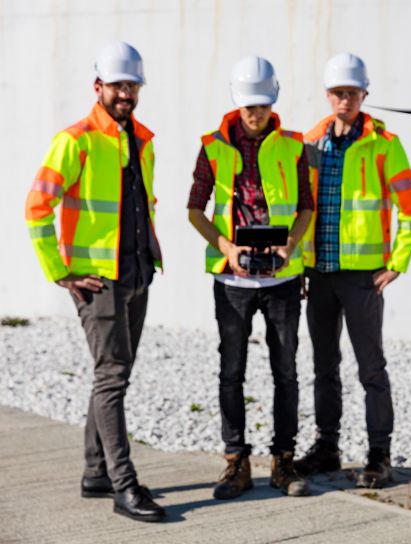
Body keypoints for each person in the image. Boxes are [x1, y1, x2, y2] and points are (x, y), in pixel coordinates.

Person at [24, 41, 165, 522]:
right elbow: (36, 207)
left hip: (137, 273)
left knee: (112, 375)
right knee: (113, 376)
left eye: (133, 85)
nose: (126, 93)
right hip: (98, 280)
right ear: (98, 87)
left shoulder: (141, 138)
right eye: (118, 85)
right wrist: (60, 271)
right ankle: (124, 486)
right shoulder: (77, 138)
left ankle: (95, 473)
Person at [187, 56, 314, 499]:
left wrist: (290, 246)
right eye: (248, 107)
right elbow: (194, 209)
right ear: (237, 104)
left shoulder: (294, 146)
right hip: (232, 283)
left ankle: (284, 461)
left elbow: (305, 208)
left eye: (261, 105)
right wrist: (226, 248)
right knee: (231, 371)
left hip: (281, 281)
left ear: (273, 101)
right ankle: (236, 461)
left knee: (286, 372)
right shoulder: (212, 145)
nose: (255, 114)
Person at [295, 53, 411, 488]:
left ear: (364, 95)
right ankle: (327, 448)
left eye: (351, 93)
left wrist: (397, 264)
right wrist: (299, 267)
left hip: (363, 276)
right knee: (324, 366)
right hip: (319, 275)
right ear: (328, 95)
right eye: (337, 93)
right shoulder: (309, 142)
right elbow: (299, 209)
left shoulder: (384, 144)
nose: (344, 100)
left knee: (371, 368)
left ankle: (378, 456)